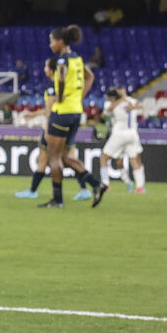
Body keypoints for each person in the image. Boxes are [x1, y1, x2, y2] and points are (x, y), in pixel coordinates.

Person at [37, 25, 106, 208]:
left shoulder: (61, 62)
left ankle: (57, 200)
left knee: (54, 157)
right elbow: (90, 77)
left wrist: (59, 97)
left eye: (52, 40)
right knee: (66, 157)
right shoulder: (77, 59)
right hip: (76, 112)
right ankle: (96, 184)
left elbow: (59, 79)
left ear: (60, 41)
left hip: (62, 113)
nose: (51, 44)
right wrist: (79, 97)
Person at [101, 87, 146, 194]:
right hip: (132, 134)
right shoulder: (129, 102)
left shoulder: (114, 104)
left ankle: (105, 184)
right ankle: (139, 187)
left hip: (119, 134)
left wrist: (123, 102)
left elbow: (105, 114)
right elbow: (140, 105)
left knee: (104, 158)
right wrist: (133, 106)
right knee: (132, 160)